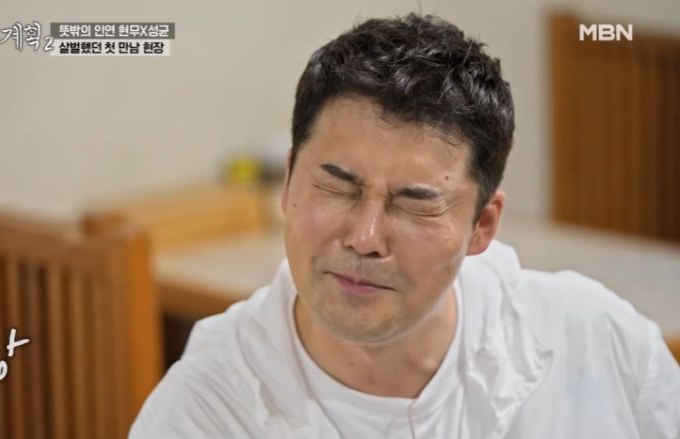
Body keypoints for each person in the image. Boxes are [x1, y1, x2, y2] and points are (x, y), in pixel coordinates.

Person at [130, 13, 680, 438]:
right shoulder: (206, 410)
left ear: (482, 225)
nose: (365, 238)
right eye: (338, 187)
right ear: (289, 180)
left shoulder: (596, 345)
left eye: (414, 204)